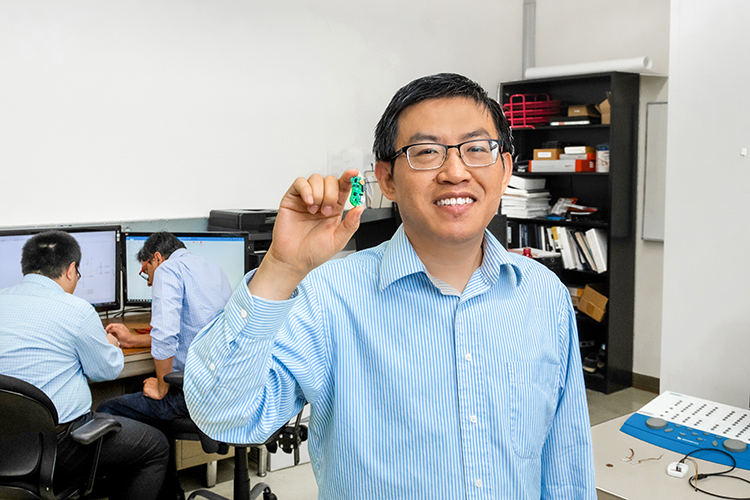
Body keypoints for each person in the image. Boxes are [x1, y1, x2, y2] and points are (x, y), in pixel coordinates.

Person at [184, 73, 596, 499]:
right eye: (426, 152)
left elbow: (564, 456)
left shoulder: (543, 294)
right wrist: (282, 267)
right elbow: (224, 414)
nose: (455, 172)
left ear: (505, 168)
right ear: (387, 179)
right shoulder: (330, 296)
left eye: (477, 149)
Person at [0, 230, 169, 500]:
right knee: (154, 446)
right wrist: (109, 342)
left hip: (5, 447)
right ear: (70, 270)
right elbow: (107, 369)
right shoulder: (77, 310)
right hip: (56, 449)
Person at [98, 231, 233, 499]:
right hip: (224, 387)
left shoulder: (167, 270)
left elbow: (167, 337)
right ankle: (170, 492)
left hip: (195, 394)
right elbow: (189, 333)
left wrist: (162, 387)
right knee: (140, 389)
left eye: (146, 271)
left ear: (157, 258)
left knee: (107, 409)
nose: (148, 281)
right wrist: (133, 340)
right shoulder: (211, 268)